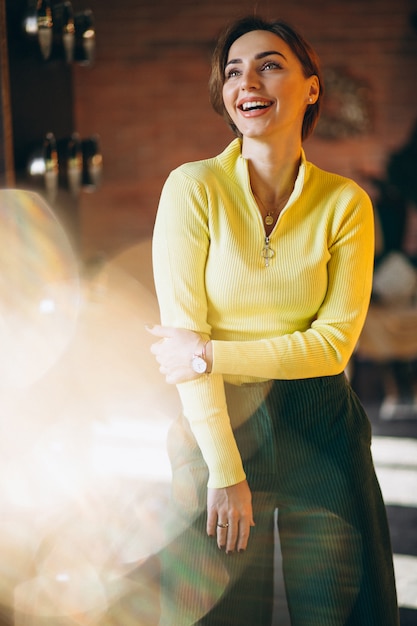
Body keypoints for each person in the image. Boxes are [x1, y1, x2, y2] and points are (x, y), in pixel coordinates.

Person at [147, 15, 399, 626]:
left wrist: (211, 354)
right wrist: (225, 472)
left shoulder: (345, 204)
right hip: (218, 431)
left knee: (342, 612)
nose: (247, 80)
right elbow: (183, 337)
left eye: (269, 64)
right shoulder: (193, 189)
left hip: (321, 427)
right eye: (233, 70)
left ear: (311, 87)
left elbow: (331, 348)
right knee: (221, 613)